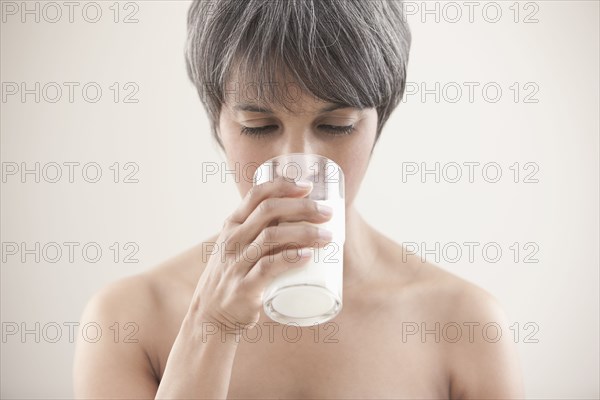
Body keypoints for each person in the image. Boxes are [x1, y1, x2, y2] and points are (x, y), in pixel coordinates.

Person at [73, 0, 525, 398]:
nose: (297, 164)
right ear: (218, 124)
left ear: (378, 124)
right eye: (258, 126)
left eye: (337, 125)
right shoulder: (127, 322)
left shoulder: (465, 326)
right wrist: (210, 328)